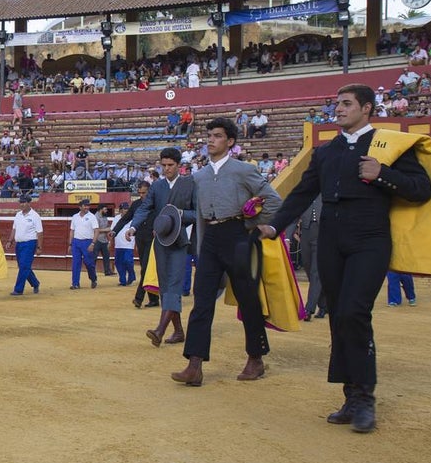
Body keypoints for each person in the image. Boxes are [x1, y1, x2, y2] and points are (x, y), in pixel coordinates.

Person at [259, 84, 431, 434]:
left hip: (370, 239)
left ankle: (365, 397)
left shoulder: (391, 147)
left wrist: (382, 173)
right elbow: (302, 193)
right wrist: (275, 226)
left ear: (367, 108)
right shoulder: (327, 152)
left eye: (346, 104)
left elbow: (422, 190)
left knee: (355, 311)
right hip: (332, 240)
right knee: (339, 317)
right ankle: (351, 394)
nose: (338, 110)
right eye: (336, 104)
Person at [175, 119, 281, 385]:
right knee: (202, 300)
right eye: (209, 135)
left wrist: (250, 225)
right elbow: (199, 215)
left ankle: (256, 358)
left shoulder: (243, 170)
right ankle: (194, 364)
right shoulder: (198, 176)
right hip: (210, 238)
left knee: (248, 298)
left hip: (237, 236)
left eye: (218, 136)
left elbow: (274, 200)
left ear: (230, 142)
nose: (210, 140)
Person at [125, 148, 197, 346]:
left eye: (171, 165)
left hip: (180, 241)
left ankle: (160, 329)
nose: (167, 169)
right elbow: (145, 208)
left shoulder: (190, 184)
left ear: (179, 165)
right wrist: (133, 227)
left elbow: (198, 213)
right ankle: (179, 331)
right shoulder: (157, 186)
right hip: (161, 242)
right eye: (164, 166)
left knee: (173, 285)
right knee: (165, 287)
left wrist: (180, 214)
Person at [113, 181, 160, 308]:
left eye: (144, 193)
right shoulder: (137, 204)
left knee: (145, 268)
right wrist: (114, 231)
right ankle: (154, 299)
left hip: (154, 239)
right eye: (139, 193)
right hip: (140, 239)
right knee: (147, 268)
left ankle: (139, 298)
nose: (142, 195)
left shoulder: (157, 204)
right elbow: (125, 219)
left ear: (149, 191)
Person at [294, 198, 325, 321]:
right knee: (308, 268)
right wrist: (287, 237)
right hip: (306, 233)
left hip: (322, 233)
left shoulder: (326, 190)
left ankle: (309, 309)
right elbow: (294, 215)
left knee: (315, 272)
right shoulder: (307, 191)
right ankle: (323, 304)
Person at [6, 193, 43, 296]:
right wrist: (10, 241)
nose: (22, 204)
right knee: (23, 266)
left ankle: (18, 289)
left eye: (24, 202)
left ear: (29, 203)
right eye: (21, 202)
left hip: (30, 243)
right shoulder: (18, 214)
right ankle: (35, 283)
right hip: (19, 244)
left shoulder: (35, 216)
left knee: (24, 266)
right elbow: (14, 229)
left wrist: (39, 247)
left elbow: (39, 232)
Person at [67, 198, 98, 289]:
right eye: (85, 206)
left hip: (87, 242)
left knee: (89, 263)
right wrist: (70, 244)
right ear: (80, 207)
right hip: (76, 242)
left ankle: (93, 278)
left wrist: (93, 243)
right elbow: (72, 231)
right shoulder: (75, 216)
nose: (87, 207)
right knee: (75, 263)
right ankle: (75, 283)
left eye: (88, 205)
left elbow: (96, 230)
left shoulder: (92, 217)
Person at [91, 204, 114, 277]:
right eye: (105, 209)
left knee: (106, 256)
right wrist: (106, 229)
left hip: (104, 239)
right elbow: (95, 230)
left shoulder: (104, 217)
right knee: (94, 257)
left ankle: (107, 271)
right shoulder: (95, 217)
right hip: (96, 239)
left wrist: (109, 240)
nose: (106, 211)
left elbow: (107, 228)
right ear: (101, 209)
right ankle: (92, 272)